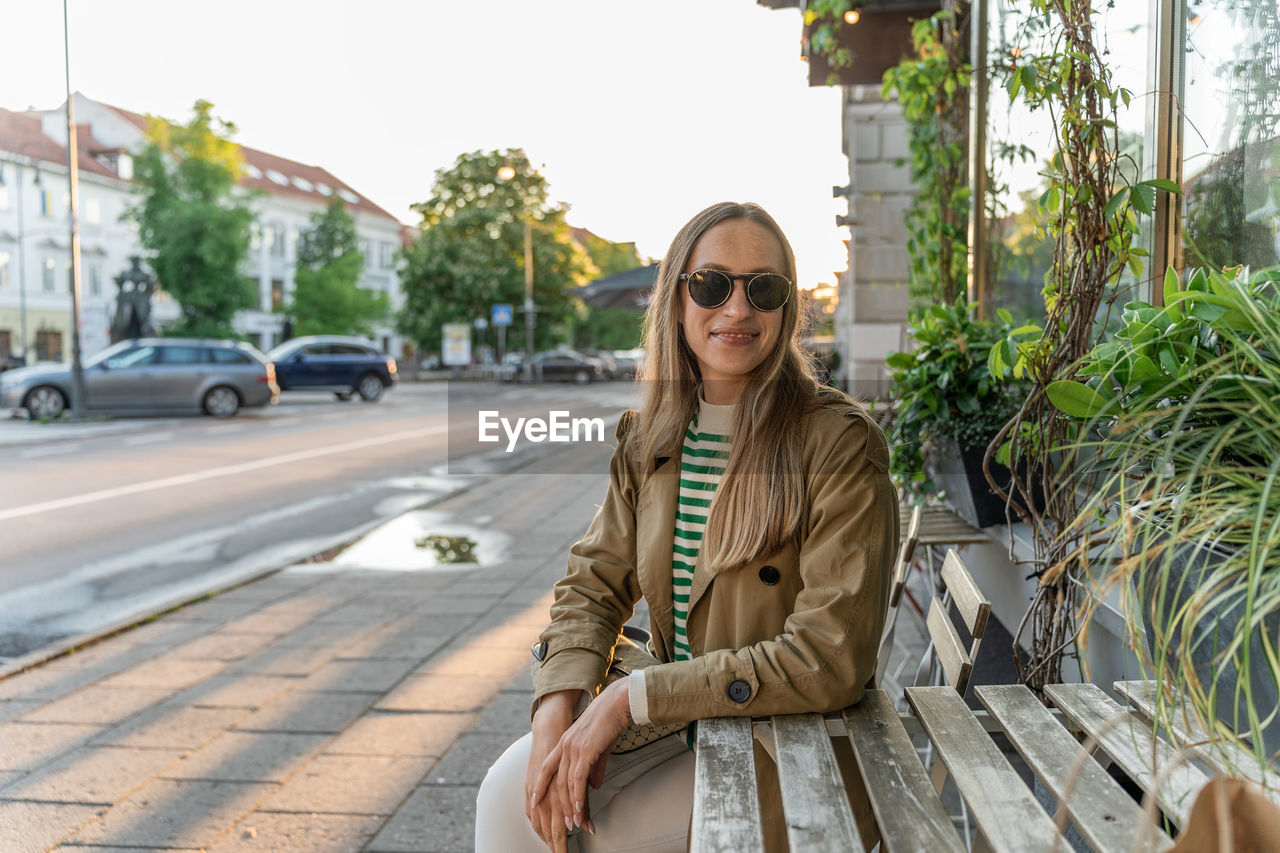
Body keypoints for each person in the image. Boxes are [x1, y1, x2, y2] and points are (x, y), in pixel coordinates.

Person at [475, 201, 899, 852]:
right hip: (688, 723)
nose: (737, 309)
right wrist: (557, 701)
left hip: (790, 741)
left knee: (566, 830)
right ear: (676, 299)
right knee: (506, 794)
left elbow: (829, 657)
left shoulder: (837, 441)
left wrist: (628, 700)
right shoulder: (651, 438)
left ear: (786, 309)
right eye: (711, 284)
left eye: (763, 288)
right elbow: (592, 585)